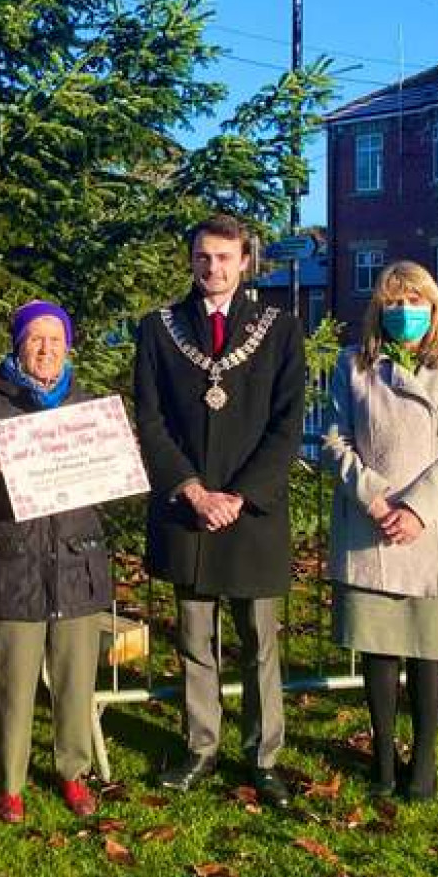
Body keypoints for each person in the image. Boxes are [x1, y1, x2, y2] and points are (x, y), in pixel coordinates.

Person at [134, 215, 305, 808]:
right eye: (204, 257)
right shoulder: (159, 329)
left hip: (251, 512)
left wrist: (239, 495)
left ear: (245, 262)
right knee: (194, 640)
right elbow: (150, 420)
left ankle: (264, 758)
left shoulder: (279, 329)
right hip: (190, 510)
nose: (214, 268)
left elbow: (288, 424)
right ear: (190, 260)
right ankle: (201, 747)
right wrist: (193, 490)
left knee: (260, 642)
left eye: (225, 258)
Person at [323, 260, 438, 802]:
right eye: (392, 302)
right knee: (380, 646)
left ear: (434, 307)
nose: (403, 311)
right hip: (372, 527)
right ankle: (384, 755)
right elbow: (333, 442)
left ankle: (425, 760)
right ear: (378, 309)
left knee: (426, 649)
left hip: (431, 528)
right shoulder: (354, 365)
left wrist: (416, 508)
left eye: (414, 300)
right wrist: (374, 496)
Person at [0, 300, 113, 823]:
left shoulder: (89, 404)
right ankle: (10, 783)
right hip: (15, 559)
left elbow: (112, 487)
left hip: (74, 559)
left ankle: (72, 772)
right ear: (18, 345)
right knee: (13, 682)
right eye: (34, 339)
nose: (45, 349)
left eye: (54, 339)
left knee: (75, 678)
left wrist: (117, 457)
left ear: (68, 345)